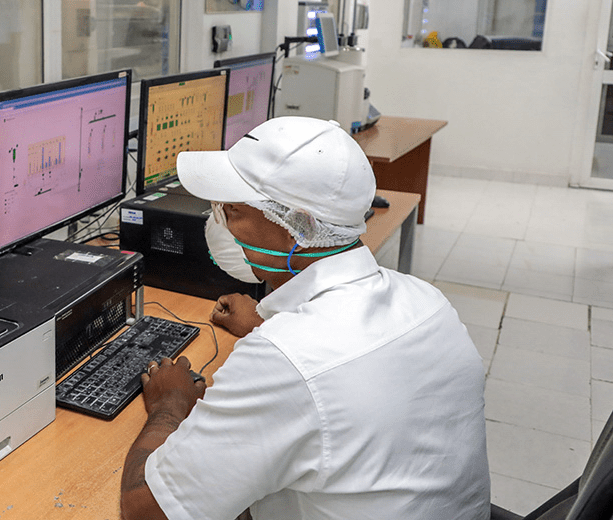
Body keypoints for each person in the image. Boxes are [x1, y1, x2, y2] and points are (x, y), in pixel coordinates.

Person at [120, 117, 490, 520]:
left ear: (296, 227)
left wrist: (170, 406)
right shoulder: (427, 300)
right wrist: (265, 326)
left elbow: (146, 511)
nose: (222, 222)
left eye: (232, 210)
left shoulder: (283, 361)